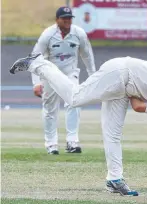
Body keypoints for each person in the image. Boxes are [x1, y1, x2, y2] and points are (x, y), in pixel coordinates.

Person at [10, 3, 147, 196]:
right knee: (74, 98)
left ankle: (114, 179)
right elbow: (138, 106)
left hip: (122, 85)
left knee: (112, 135)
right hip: (120, 76)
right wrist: (139, 88)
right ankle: (38, 63)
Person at [31, 6, 96, 154]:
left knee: (75, 102)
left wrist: (93, 76)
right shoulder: (47, 35)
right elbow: (35, 58)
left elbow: (87, 56)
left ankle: (72, 142)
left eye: (69, 18)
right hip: (50, 74)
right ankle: (51, 144)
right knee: (50, 109)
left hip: (70, 74)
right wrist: (36, 83)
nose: (67, 21)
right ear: (57, 20)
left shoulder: (78, 33)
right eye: (64, 18)